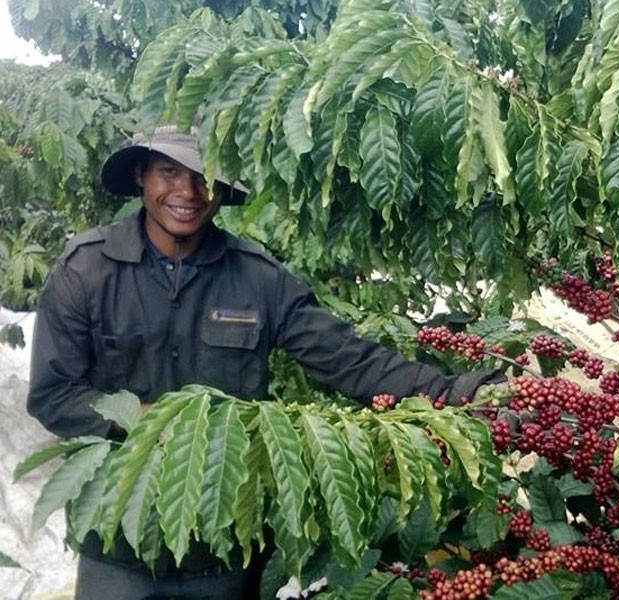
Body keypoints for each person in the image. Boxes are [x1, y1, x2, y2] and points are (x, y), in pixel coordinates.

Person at [26, 124, 503, 599]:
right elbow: (54, 396)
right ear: (140, 176)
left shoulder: (258, 278)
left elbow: (351, 360)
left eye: (203, 176)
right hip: (118, 543)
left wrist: (458, 394)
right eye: (169, 172)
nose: (188, 192)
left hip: (224, 544)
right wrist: (157, 421)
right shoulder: (87, 270)